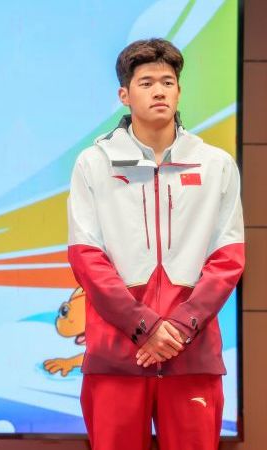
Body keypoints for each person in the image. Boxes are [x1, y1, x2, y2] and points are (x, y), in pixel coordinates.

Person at [67, 38, 245, 450]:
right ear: (124, 95)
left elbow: (228, 257)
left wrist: (180, 327)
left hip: (192, 353)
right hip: (117, 353)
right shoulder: (95, 163)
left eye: (167, 82)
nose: (159, 91)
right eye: (146, 83)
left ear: (179, 91)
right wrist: (142, 326)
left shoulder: (215, 164)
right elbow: (86, 257)